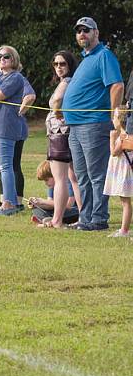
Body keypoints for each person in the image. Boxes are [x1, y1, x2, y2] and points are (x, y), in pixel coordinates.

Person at [63, 17, 124, 231]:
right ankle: (86, 218)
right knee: (82, 176)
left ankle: (98, 219)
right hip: (76, 127)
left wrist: (112, 114)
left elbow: (116, 85)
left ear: (96, 33)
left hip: (94, 124)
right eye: (79, 31)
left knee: (96, 174)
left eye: (86, 30)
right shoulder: (86, 58)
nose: (82, 34)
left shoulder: (104, 56)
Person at [0, 45, 36, 214]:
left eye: (6, 57)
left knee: (6, 166)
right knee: (0, 167)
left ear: (14, 59)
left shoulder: (15, 77)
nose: (1, 59)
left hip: (6, 126)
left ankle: (9, 204)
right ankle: (7, 202)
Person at [38, 51, 82, 228]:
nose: (58, 67)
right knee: (74, 177)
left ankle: (57, 220)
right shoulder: (75, 82)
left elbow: (56, 100)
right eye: (55, 64)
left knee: (60, 178)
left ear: (70, 65)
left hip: (60, 133)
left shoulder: (67, 82)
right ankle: (84, 217)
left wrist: (56, 112)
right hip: (69, 132)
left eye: (62, 64)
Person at [103, 106, 133, 237]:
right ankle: (123, 229)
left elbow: (114, 152)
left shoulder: (123, 136)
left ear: (120, 119)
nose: (112, 120)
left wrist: (111, 138)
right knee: (124, 201)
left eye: (114, 117)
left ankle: (124, 230)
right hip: (122, 170)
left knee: (125, 201)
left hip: (123, 171)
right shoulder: (127, 135)